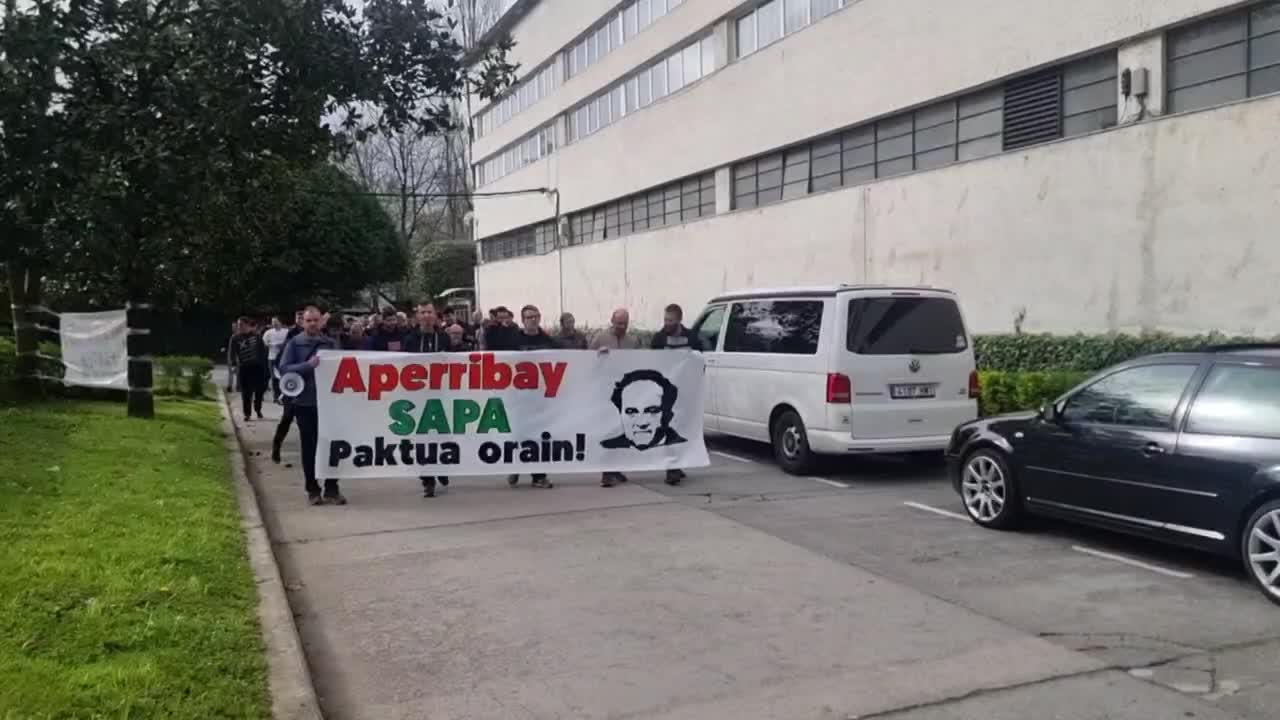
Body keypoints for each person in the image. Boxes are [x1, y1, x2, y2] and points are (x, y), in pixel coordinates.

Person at [278, 306, 344, 506]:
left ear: (321, 321)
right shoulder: (294, 343)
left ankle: (332, 488)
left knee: (332, 446)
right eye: (309, 320)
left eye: (316, 320)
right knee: (310, 447)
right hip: (304, 403)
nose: (313, 324)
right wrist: (308, 365)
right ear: (302, 322)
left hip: (329, 404)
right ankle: (313, 489)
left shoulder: (331, 344)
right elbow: (284, 368)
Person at [648, 303, 702, 486]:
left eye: (670, 320)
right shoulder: (659, 338)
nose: (666, 323)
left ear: (679, 320)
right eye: (665, 319)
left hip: (686, 391)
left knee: (683, 429)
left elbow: (700, 361)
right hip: (667, 392)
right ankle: (671, 469)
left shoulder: (692, 337)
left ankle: (678, 464)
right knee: (669, 426)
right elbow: (652, 363)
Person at [506, 304, 558, 489]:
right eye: (529, 317)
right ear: (523, 320)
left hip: (540, 398)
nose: (533, 320)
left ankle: (539, 476)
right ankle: (516, 465)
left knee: (539, 437)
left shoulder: (548, 341)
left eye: (536, 316)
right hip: (519, 397)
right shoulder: (513, 341)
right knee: (520, 434)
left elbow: (566, 358)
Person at [592, 308, 643, 487]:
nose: (622, 326)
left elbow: (641, 363)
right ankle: (606, 473)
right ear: (612, 321)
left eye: (625, 323)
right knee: (608, 432)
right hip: (606, 392)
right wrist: (598, 355)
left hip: (626, 393)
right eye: (619, 323)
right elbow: (587, 362)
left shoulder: (633, 341)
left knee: (622, 432)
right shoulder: (600, 338)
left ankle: (616, 469)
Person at [405, 302, 451, 498]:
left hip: (441, 394)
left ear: (435, 315)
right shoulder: (410, 339)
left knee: (441, 435)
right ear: (417, 316)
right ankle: (427, 479)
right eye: (422, 312)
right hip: (418, 395)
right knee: (422, 437)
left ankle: (441, 467)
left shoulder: (444, 338)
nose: (426, 316)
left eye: (429, 312)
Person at [599, 370, 688, 450]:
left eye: (652, 411)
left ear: (668, 415)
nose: (641, 423)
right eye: (631, 412)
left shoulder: (685, 448)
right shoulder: (608, 447)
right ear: (621, 413)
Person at [230, 317, 269, 421]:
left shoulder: (257, 337)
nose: (239, 327)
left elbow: (263, 352)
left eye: (241, 325)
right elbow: (232, 353)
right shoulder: (235, 338)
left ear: (247, 325)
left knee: (259, 391)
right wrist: (233, 365)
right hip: (244, 368)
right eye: (238, 325)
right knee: (246, 392)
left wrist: (265, 367)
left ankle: (258, 408)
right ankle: (247, 413)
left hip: (257, 368)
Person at [263, 317, 290, 402]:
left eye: (276, 322)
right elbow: (264, 343)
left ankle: (284, 395)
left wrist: (282, 345)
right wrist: (270, 344)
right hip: (272, 357)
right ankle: (276, 396)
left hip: (283, 357)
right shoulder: (268, 332)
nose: (274, 323)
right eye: (272, 322)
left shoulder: (286, 331)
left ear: (280, 322)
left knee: (283, 376)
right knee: (274, 377)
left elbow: (290, 342)